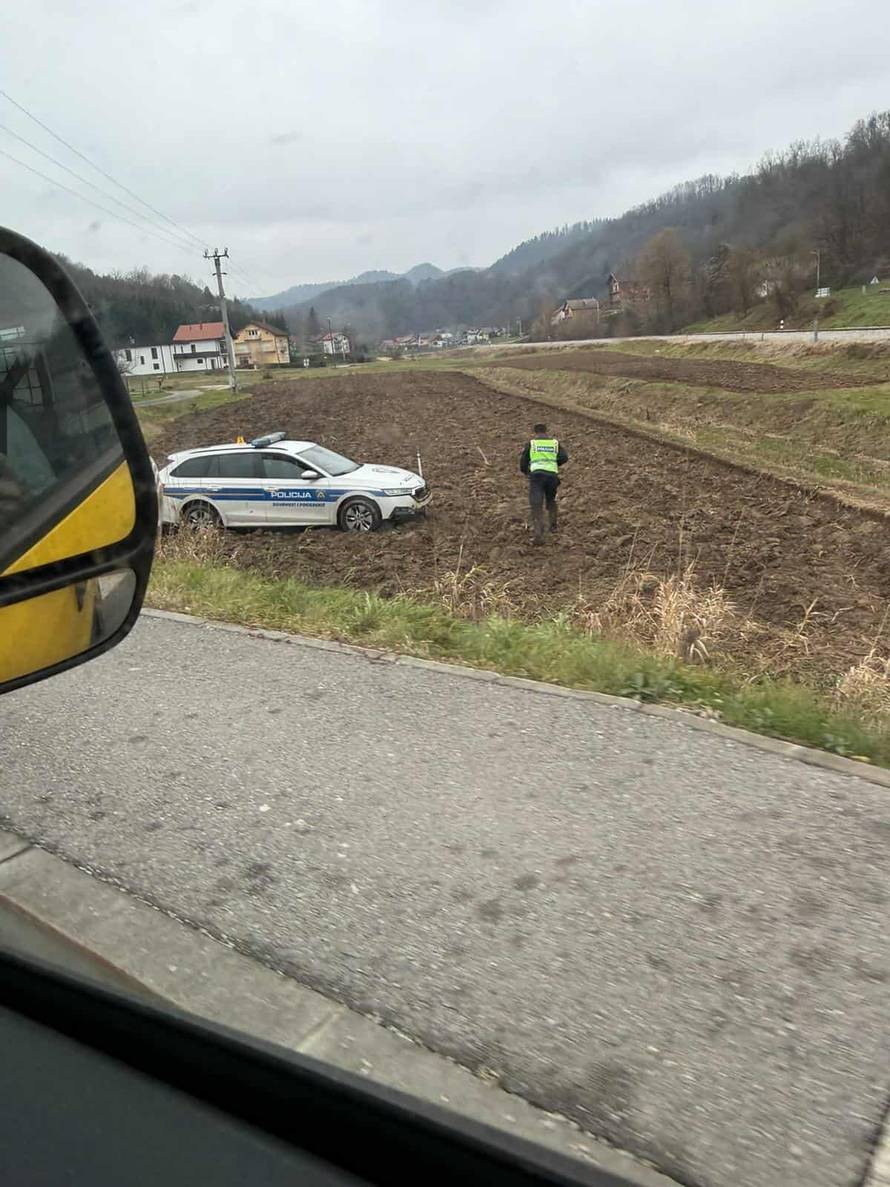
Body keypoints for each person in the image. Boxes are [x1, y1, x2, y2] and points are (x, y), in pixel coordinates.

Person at [519, 422, 568, 544]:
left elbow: (523, 462)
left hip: (537, 476)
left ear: (535, 432)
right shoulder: (555, 443)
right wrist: (554, 464)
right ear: (546, 431)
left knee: (536, 503)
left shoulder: (532, 444)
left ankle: (539, 533)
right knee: (551, 500)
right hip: (552, 476)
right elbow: (564, 457)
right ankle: (553, 526)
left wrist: (527, 472)